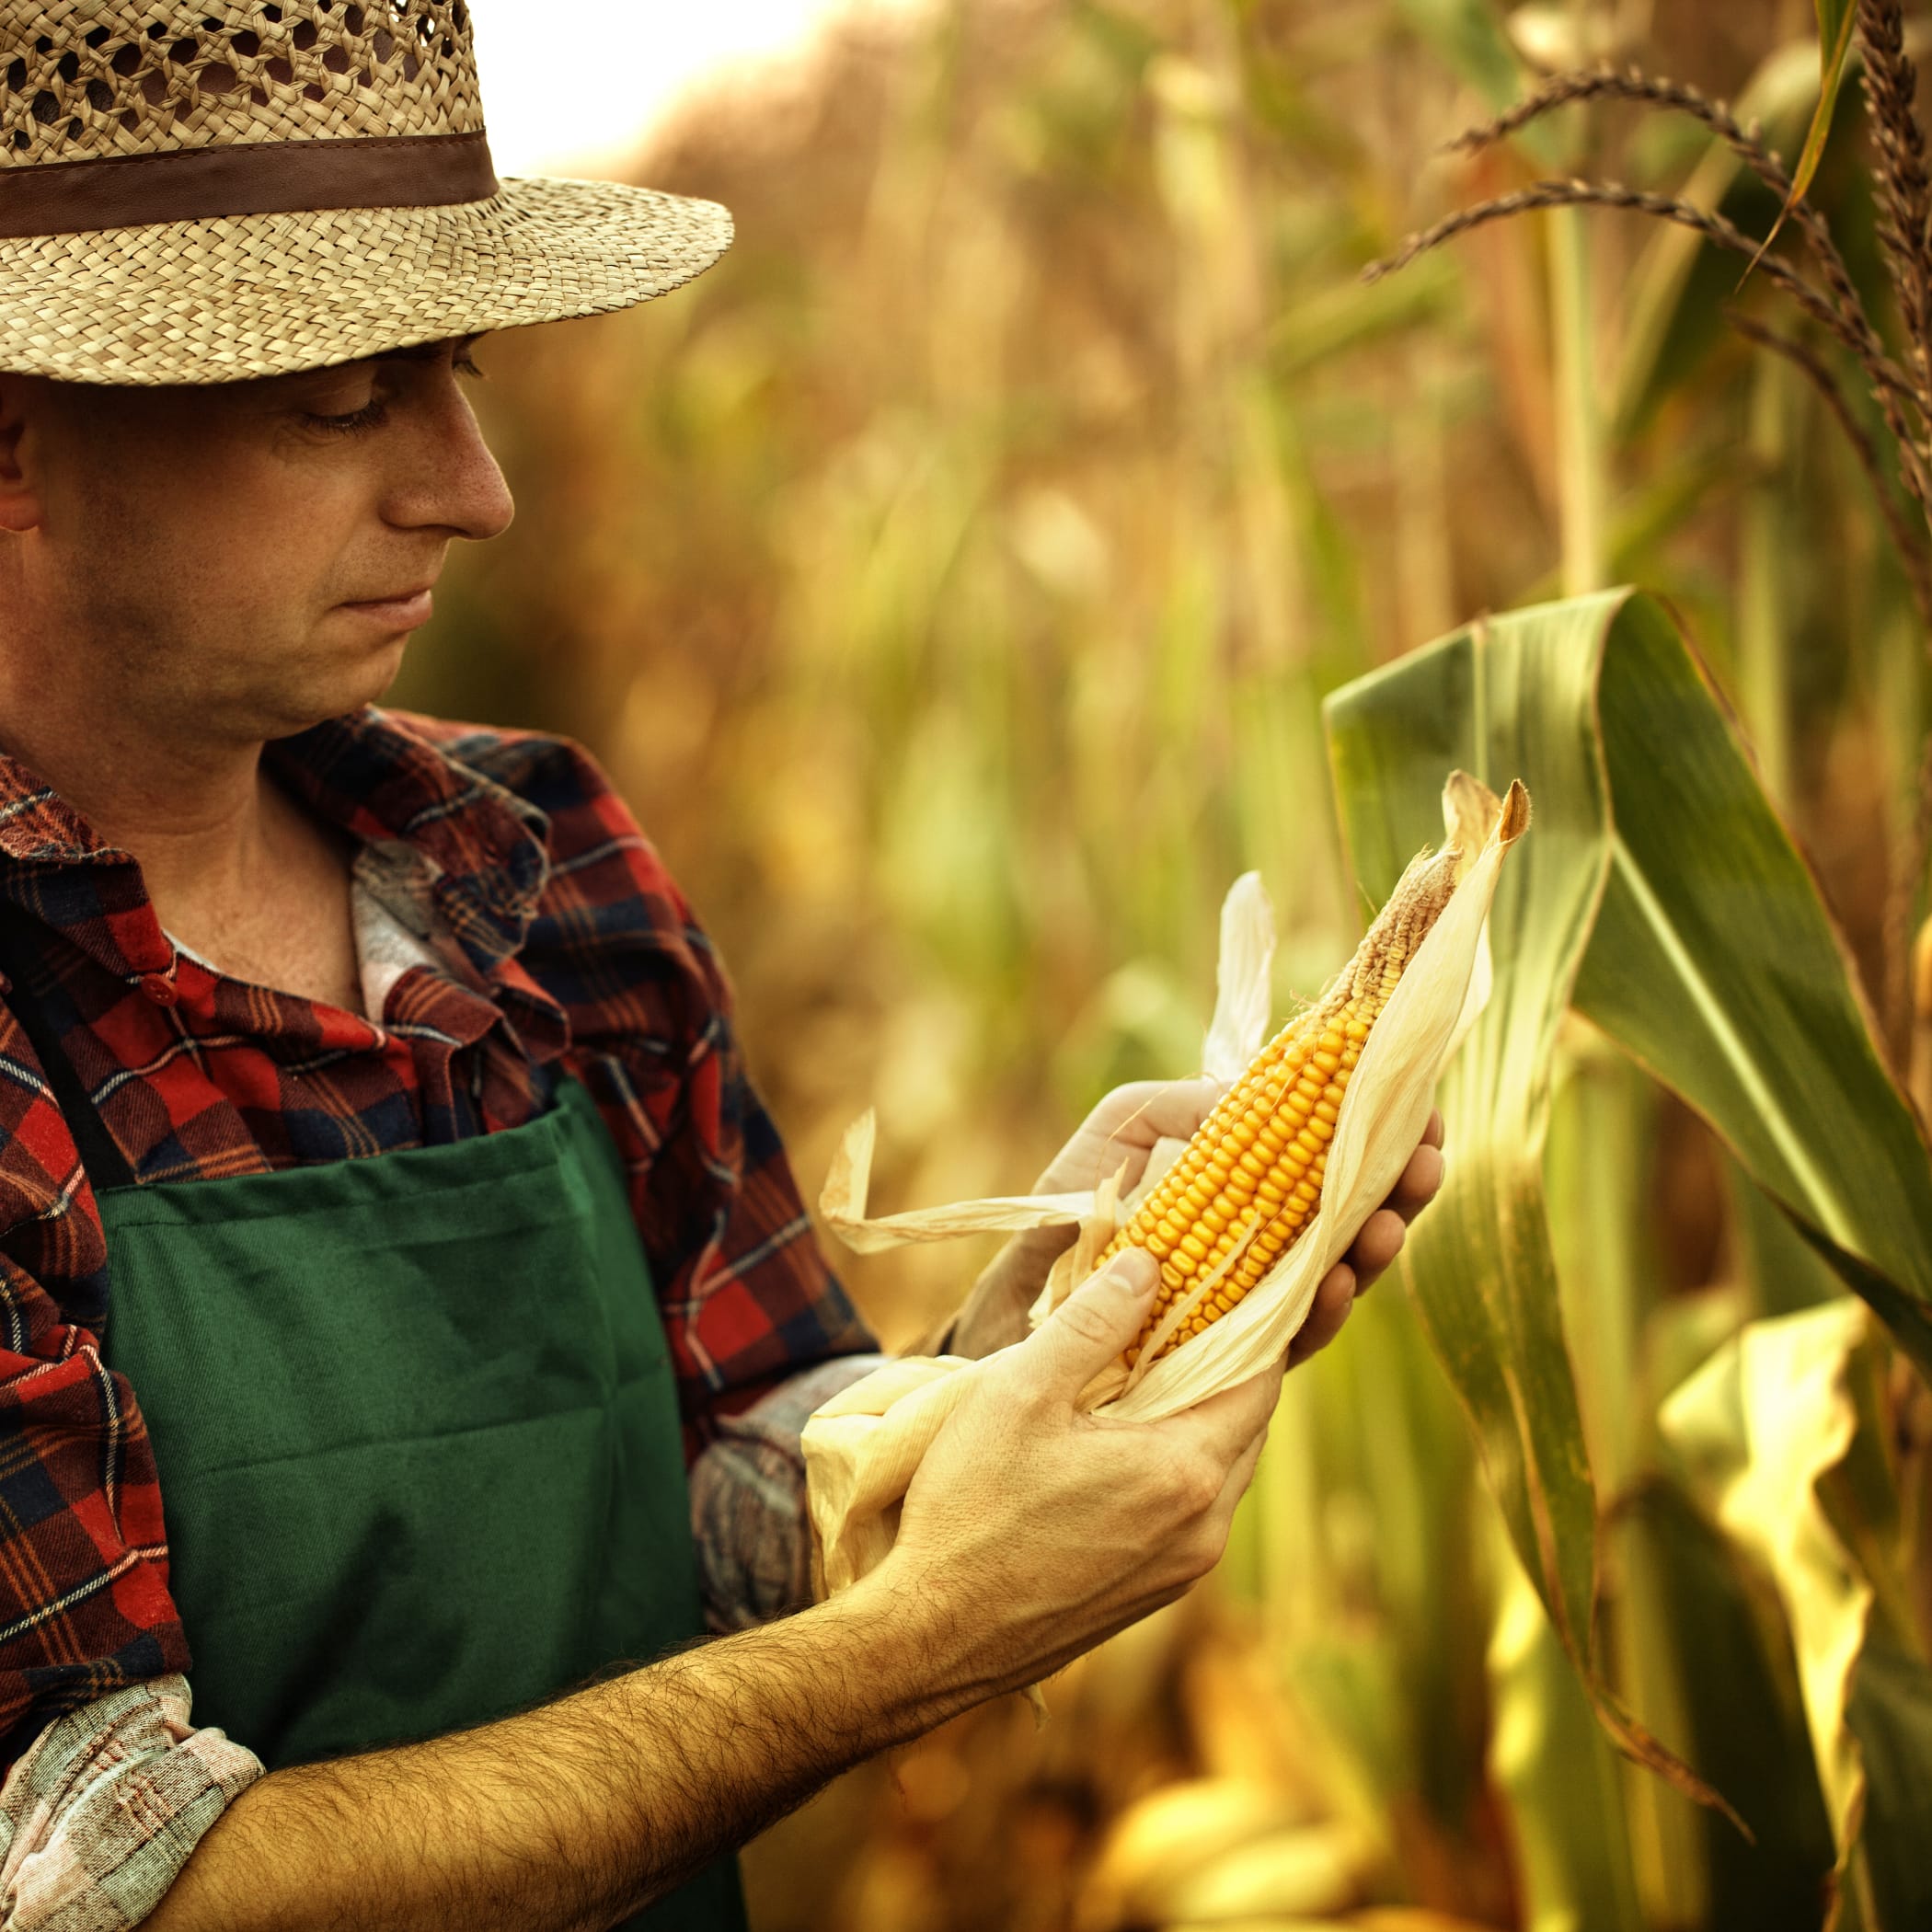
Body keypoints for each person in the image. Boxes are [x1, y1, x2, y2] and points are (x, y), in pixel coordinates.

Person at [0, 5, 1445, 1928]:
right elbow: (122, 1885)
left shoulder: (535, 868)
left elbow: (735, 1498)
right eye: (348, 400)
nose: (474, 486)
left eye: (463, 372)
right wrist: (916, 1648)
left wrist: (1044, 1344)